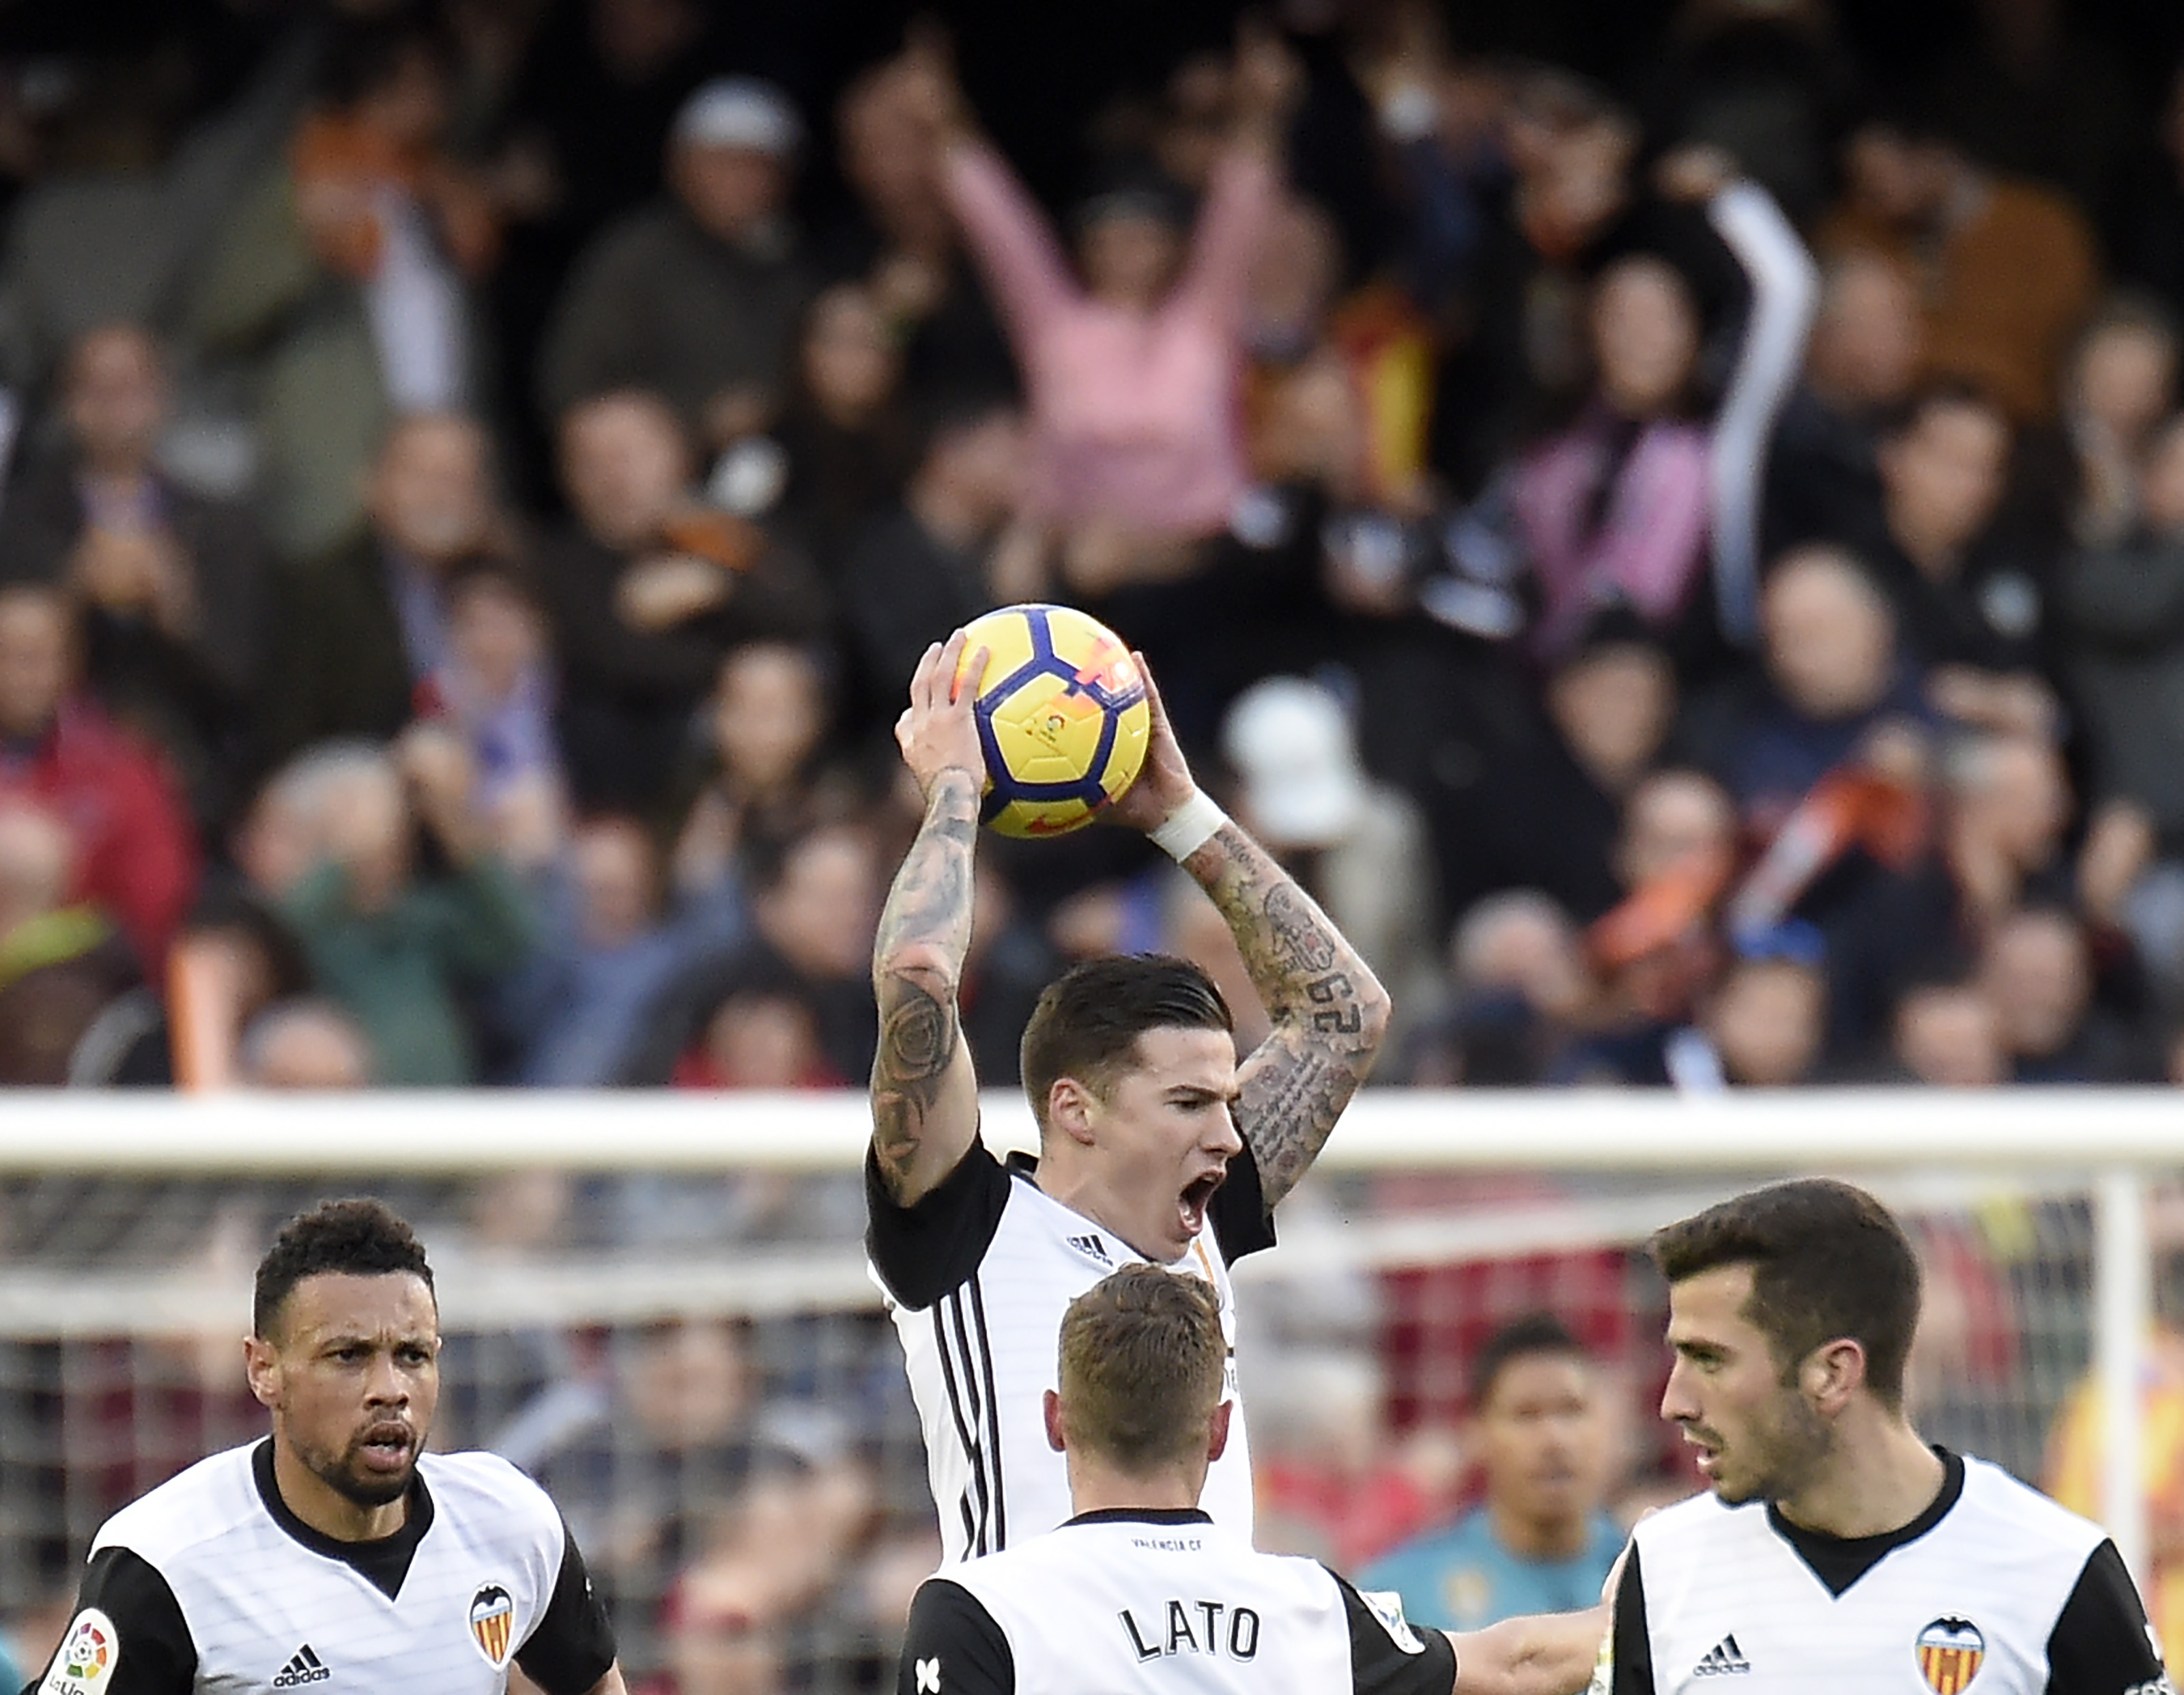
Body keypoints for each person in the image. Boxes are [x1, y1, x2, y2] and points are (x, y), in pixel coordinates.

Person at [867, 631, 1393, 1563]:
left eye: (1225, 1101)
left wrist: (1180, 812)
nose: (1227, 1136)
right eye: (1189, 1102)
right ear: (1077, 1109)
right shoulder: (966, 1228)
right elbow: (917, 977)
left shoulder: (1203, 1220)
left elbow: (1345, 1014)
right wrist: (953, 790)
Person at [900, 1266, 1605, 1695]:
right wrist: (1656, 1595)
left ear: (1055, 1420)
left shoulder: (977, 1610)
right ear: (1218, 1429)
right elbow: (1515, 1666)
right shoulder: (1308, 1605)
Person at [25, 1199, 624, 1695]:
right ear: (264, 1370)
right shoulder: (166, 1560)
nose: (389, 1389)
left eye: (412, 1355)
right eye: (349, 1356)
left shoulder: (510, 1521)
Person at [1600, 1178, 2168, 1692]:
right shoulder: (1666, 1566)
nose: (1676, 1403)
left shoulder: (2056, 1569)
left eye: (1710, 1359)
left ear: (1833, 1373)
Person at [1362, 1317, 1624, 1633]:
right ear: (1475, 1434)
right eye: (1526, 1415)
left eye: (1572, 1411)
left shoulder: (1644, 1577)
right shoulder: (1403, 1596)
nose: (1555, 1439)